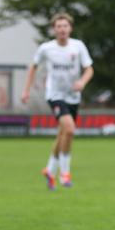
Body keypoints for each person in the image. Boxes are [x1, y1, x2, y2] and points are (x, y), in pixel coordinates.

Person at [21, 13, 94, 190]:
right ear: (54, 29)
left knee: (63, 134)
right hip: (55, 95)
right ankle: (65, 173)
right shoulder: (46, 48)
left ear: (70, 28)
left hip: (73, 96)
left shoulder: (78, 46)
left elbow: (89, 69)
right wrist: (26, 90)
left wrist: (82, 82)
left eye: (65, 26)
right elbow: (33, 67)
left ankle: (49, 170)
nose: (62, 29)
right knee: (69, 129)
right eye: (59, 26)